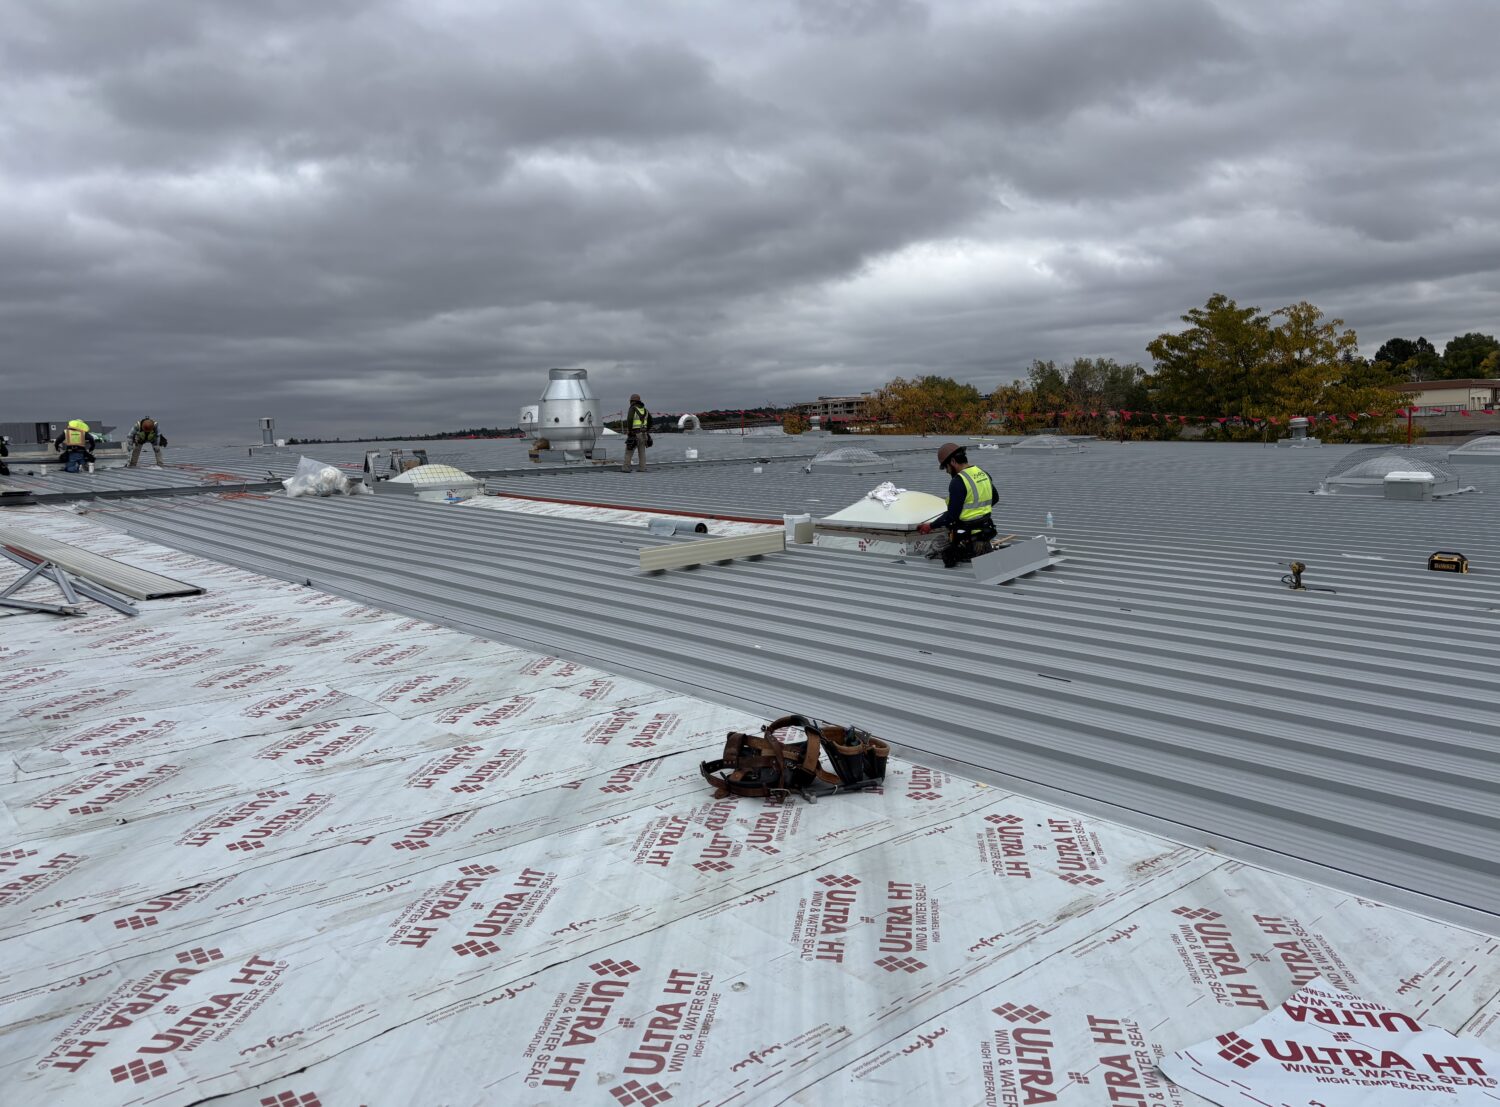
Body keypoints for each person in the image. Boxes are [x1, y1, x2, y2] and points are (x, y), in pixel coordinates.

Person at [917, 441, 999, 568]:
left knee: (937, 552)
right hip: (985, 533)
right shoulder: (983, 474)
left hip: (967, 539)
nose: (947, 471)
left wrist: (930, 526)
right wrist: (979, 512)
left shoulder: (958, 481)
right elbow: (995, 498)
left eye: (946, 467)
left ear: (953, 461)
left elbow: (952, 516)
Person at [623, 393, 651, 473]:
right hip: (644, 434)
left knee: (629, 451)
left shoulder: (632, 408)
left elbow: (630, 420)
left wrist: (630, 431)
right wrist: (646, 430)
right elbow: (650, 421)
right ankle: (642, 468)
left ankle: (626, 468)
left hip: (634, 434)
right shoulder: (645, 410)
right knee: (642, 452)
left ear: (632, 401)